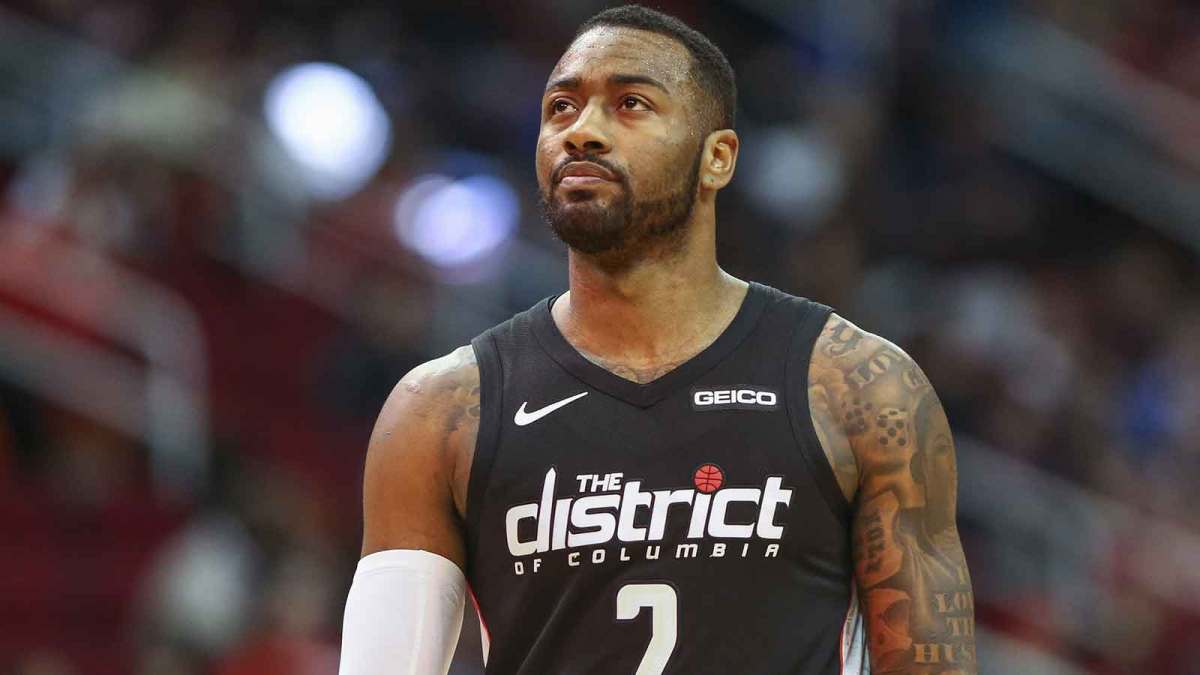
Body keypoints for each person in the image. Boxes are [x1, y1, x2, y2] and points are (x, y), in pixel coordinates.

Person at [338, 5, 977, 674]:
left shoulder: (861, 385)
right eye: (561, 107)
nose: (581, 131)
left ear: (717, 159)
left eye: (630, 104)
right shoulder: (439, 410)